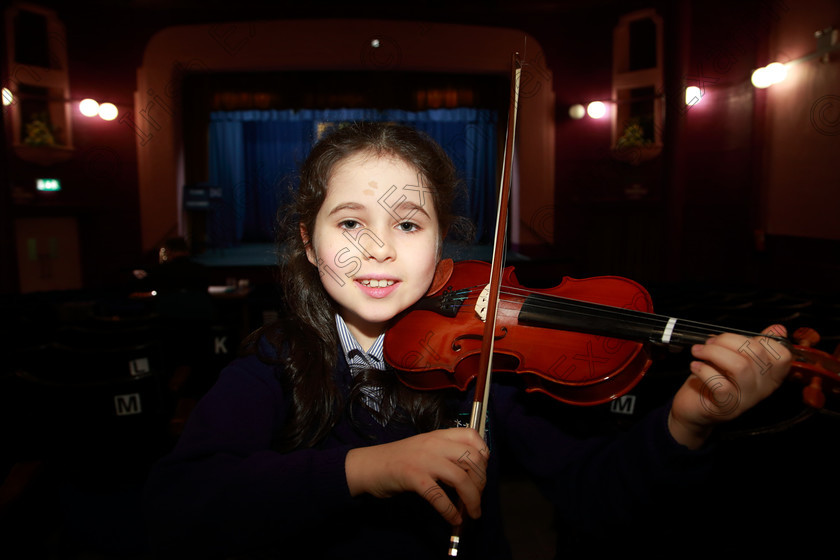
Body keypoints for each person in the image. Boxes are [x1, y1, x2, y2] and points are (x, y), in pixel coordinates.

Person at [143, 123, 791, 559]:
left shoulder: (487, 368)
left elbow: (599, 501)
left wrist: (684, 426)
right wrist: (367, 469)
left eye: (407, 222)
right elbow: (179, 505)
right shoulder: (270, 361)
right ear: (310, 245)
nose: (377, 248)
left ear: (441, 242)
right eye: (348, 221)